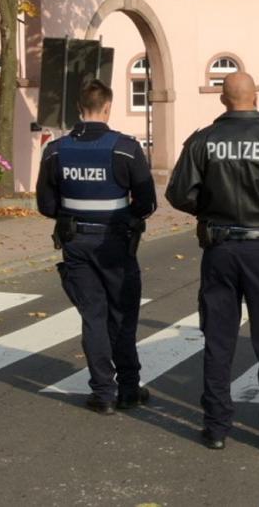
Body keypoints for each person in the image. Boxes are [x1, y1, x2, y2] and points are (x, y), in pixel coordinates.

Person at [165, 71, 259, 452]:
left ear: (223, 99)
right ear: (256, 96)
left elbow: (179, 193)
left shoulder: (203, 141)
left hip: (219, 249)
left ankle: (216, 427)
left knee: (219, 337)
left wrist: (209, 211)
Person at [37, 79, 157, 415]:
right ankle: (130, 389)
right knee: (123, 316)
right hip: (116, 244)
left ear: (79, 109)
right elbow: (147, 201)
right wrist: (126, 217)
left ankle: (103, 393)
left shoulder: (56, 150)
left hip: (76, 242)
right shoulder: (125, 148)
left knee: (93, 316)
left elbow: (46, 206)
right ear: (108, 108)